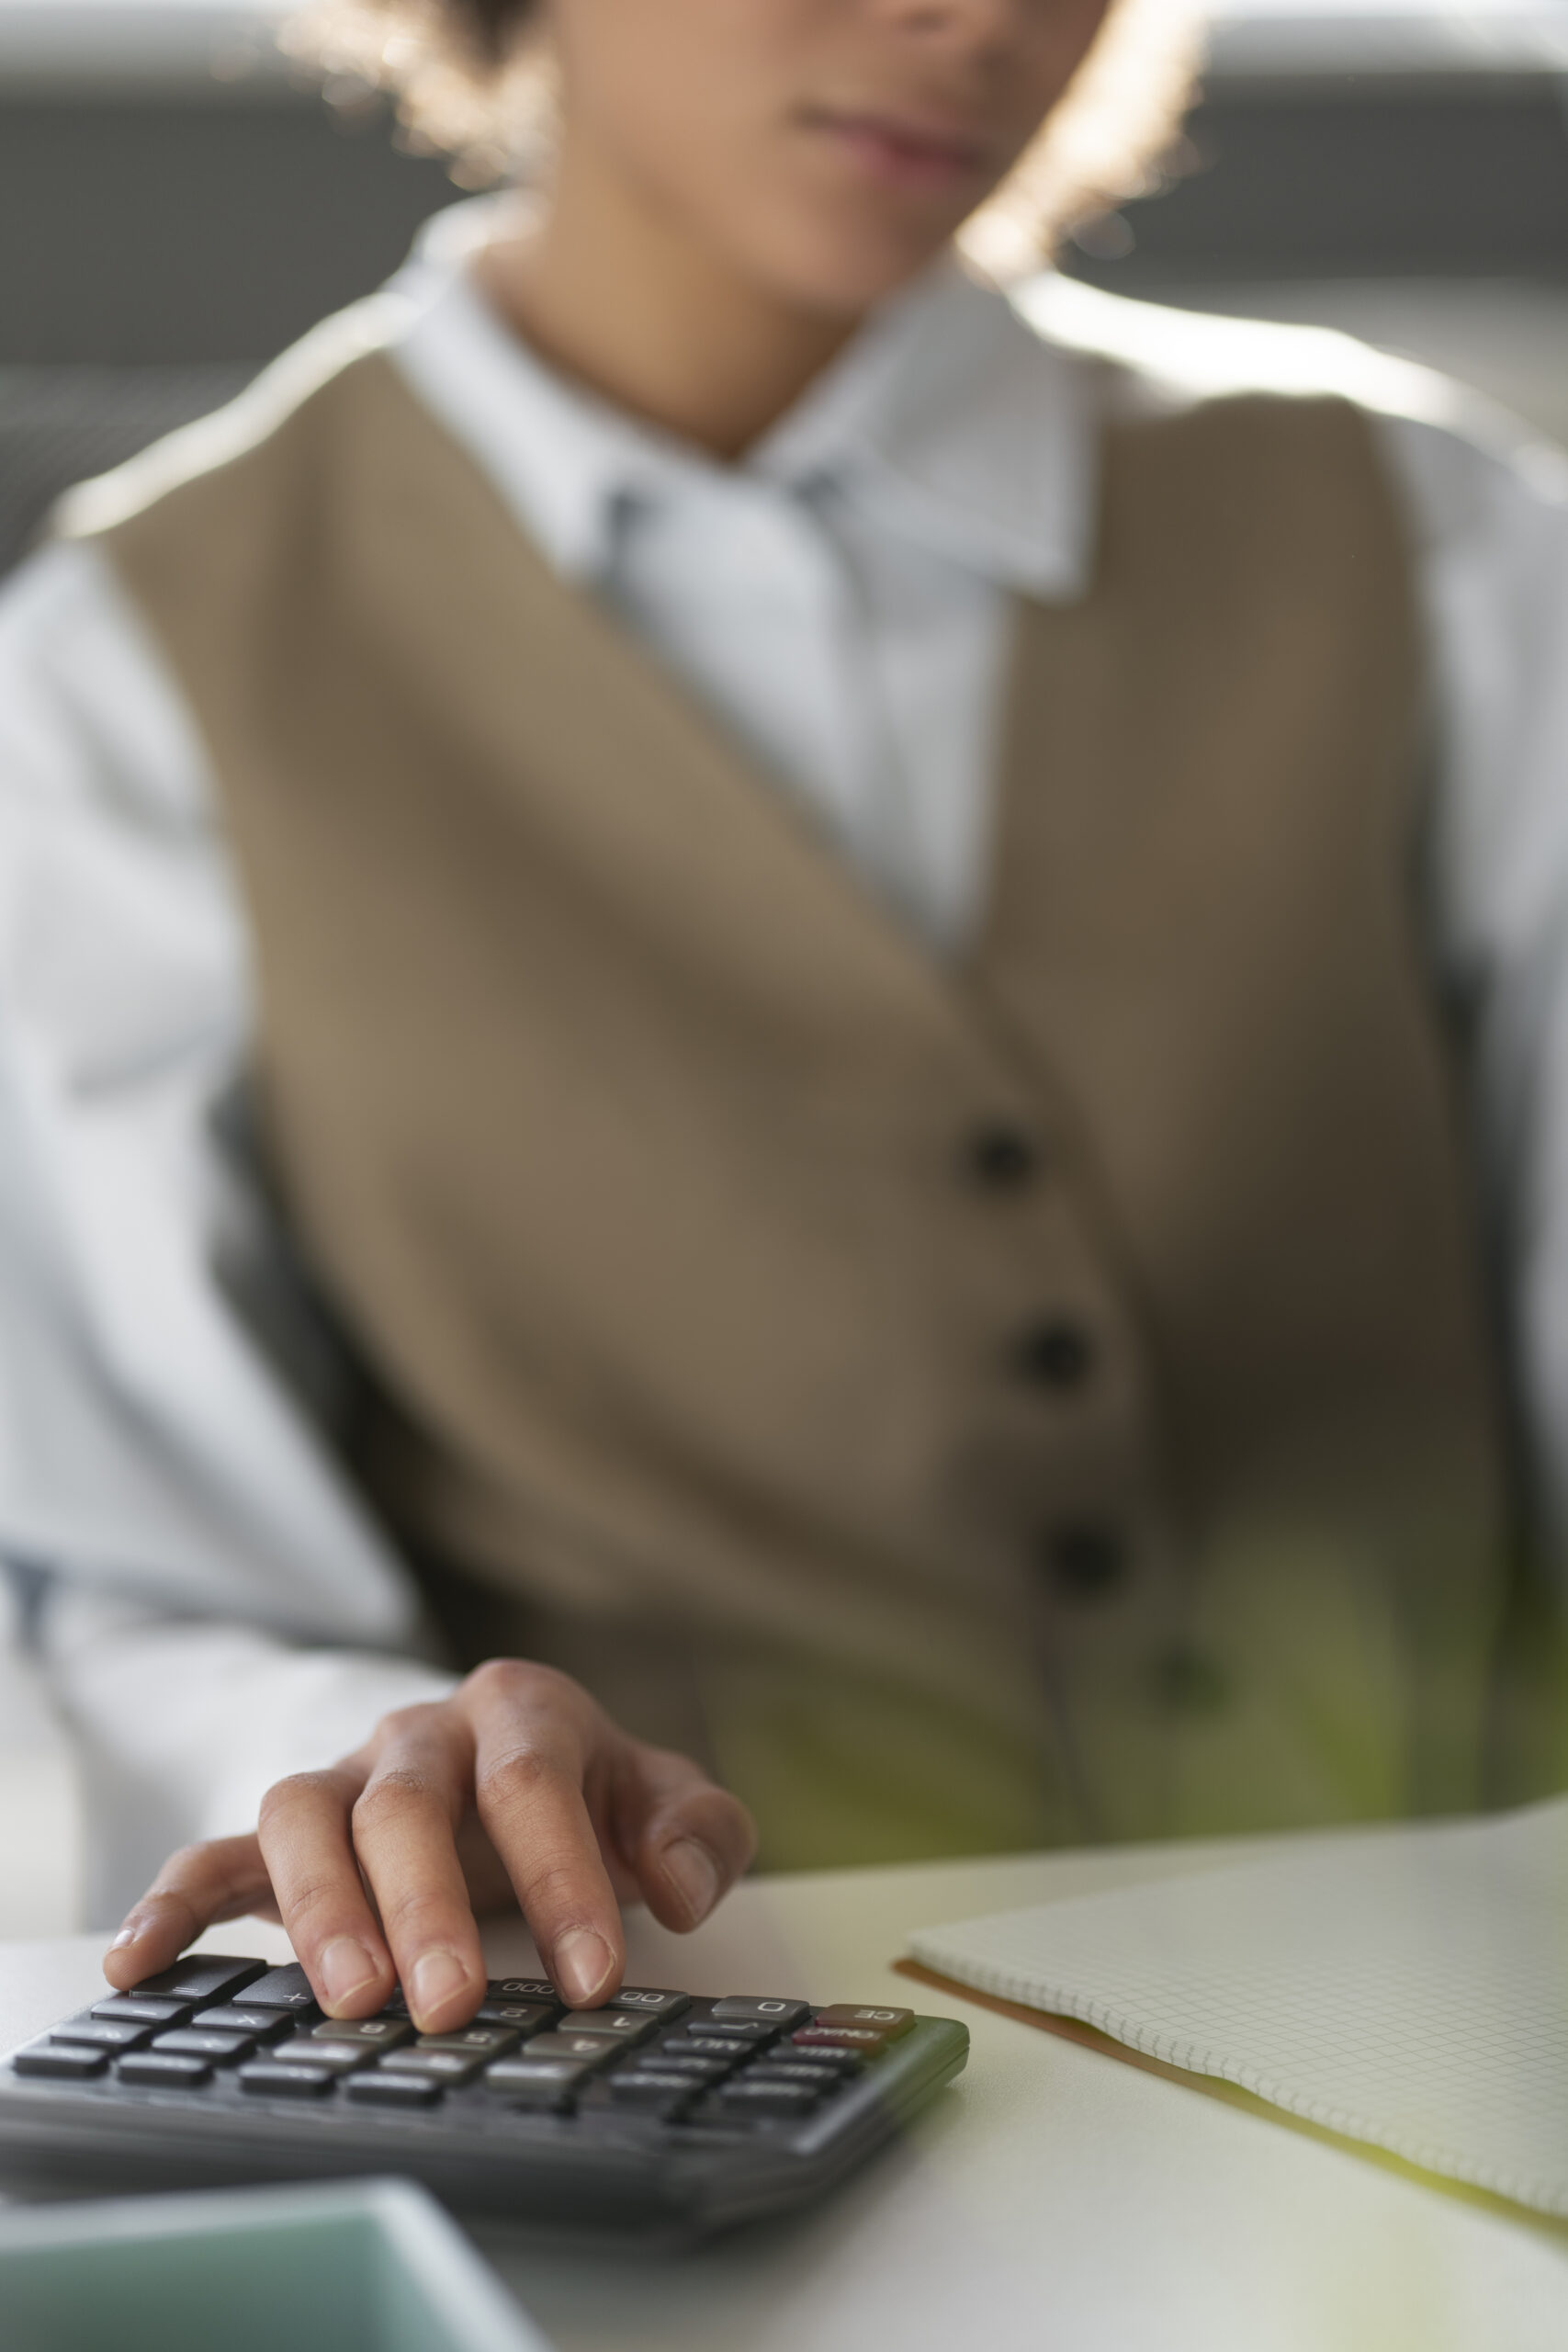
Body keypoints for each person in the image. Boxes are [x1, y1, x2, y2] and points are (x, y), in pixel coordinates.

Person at [1, 0, 1566, 2041]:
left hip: (1456, 2010)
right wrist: (394, 1755)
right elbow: (131, 1571)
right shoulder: (128, 673)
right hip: (699, 2056)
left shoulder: (1438, 540)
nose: (976, 20)